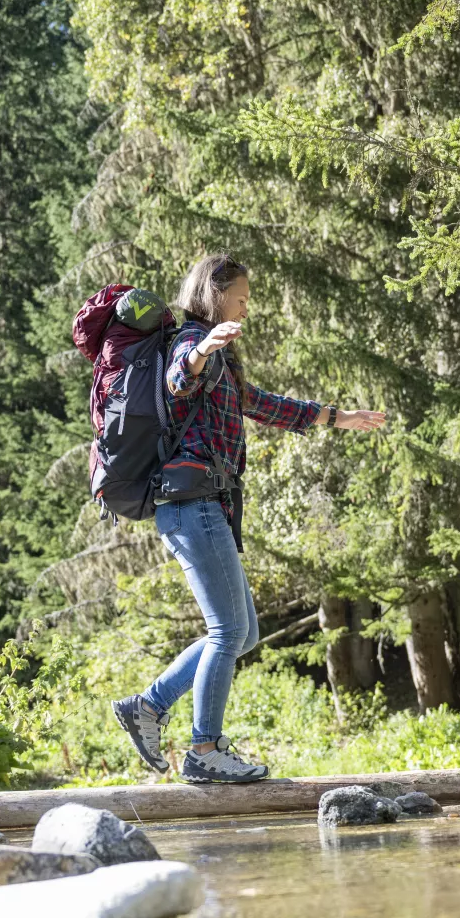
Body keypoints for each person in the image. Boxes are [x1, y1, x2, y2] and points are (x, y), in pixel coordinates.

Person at [113, 255, 387, 783]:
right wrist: (199, 354)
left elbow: (257, 403)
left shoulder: (221, 356)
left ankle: (146, 707)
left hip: (203, 507)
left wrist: (337, 417)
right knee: (227, 630)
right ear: (215, 294)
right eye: (239, 295)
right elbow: (178, 377)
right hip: (192, 505)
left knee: (244, 633)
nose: (246, 305)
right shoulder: (191, 341)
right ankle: (205, 749)